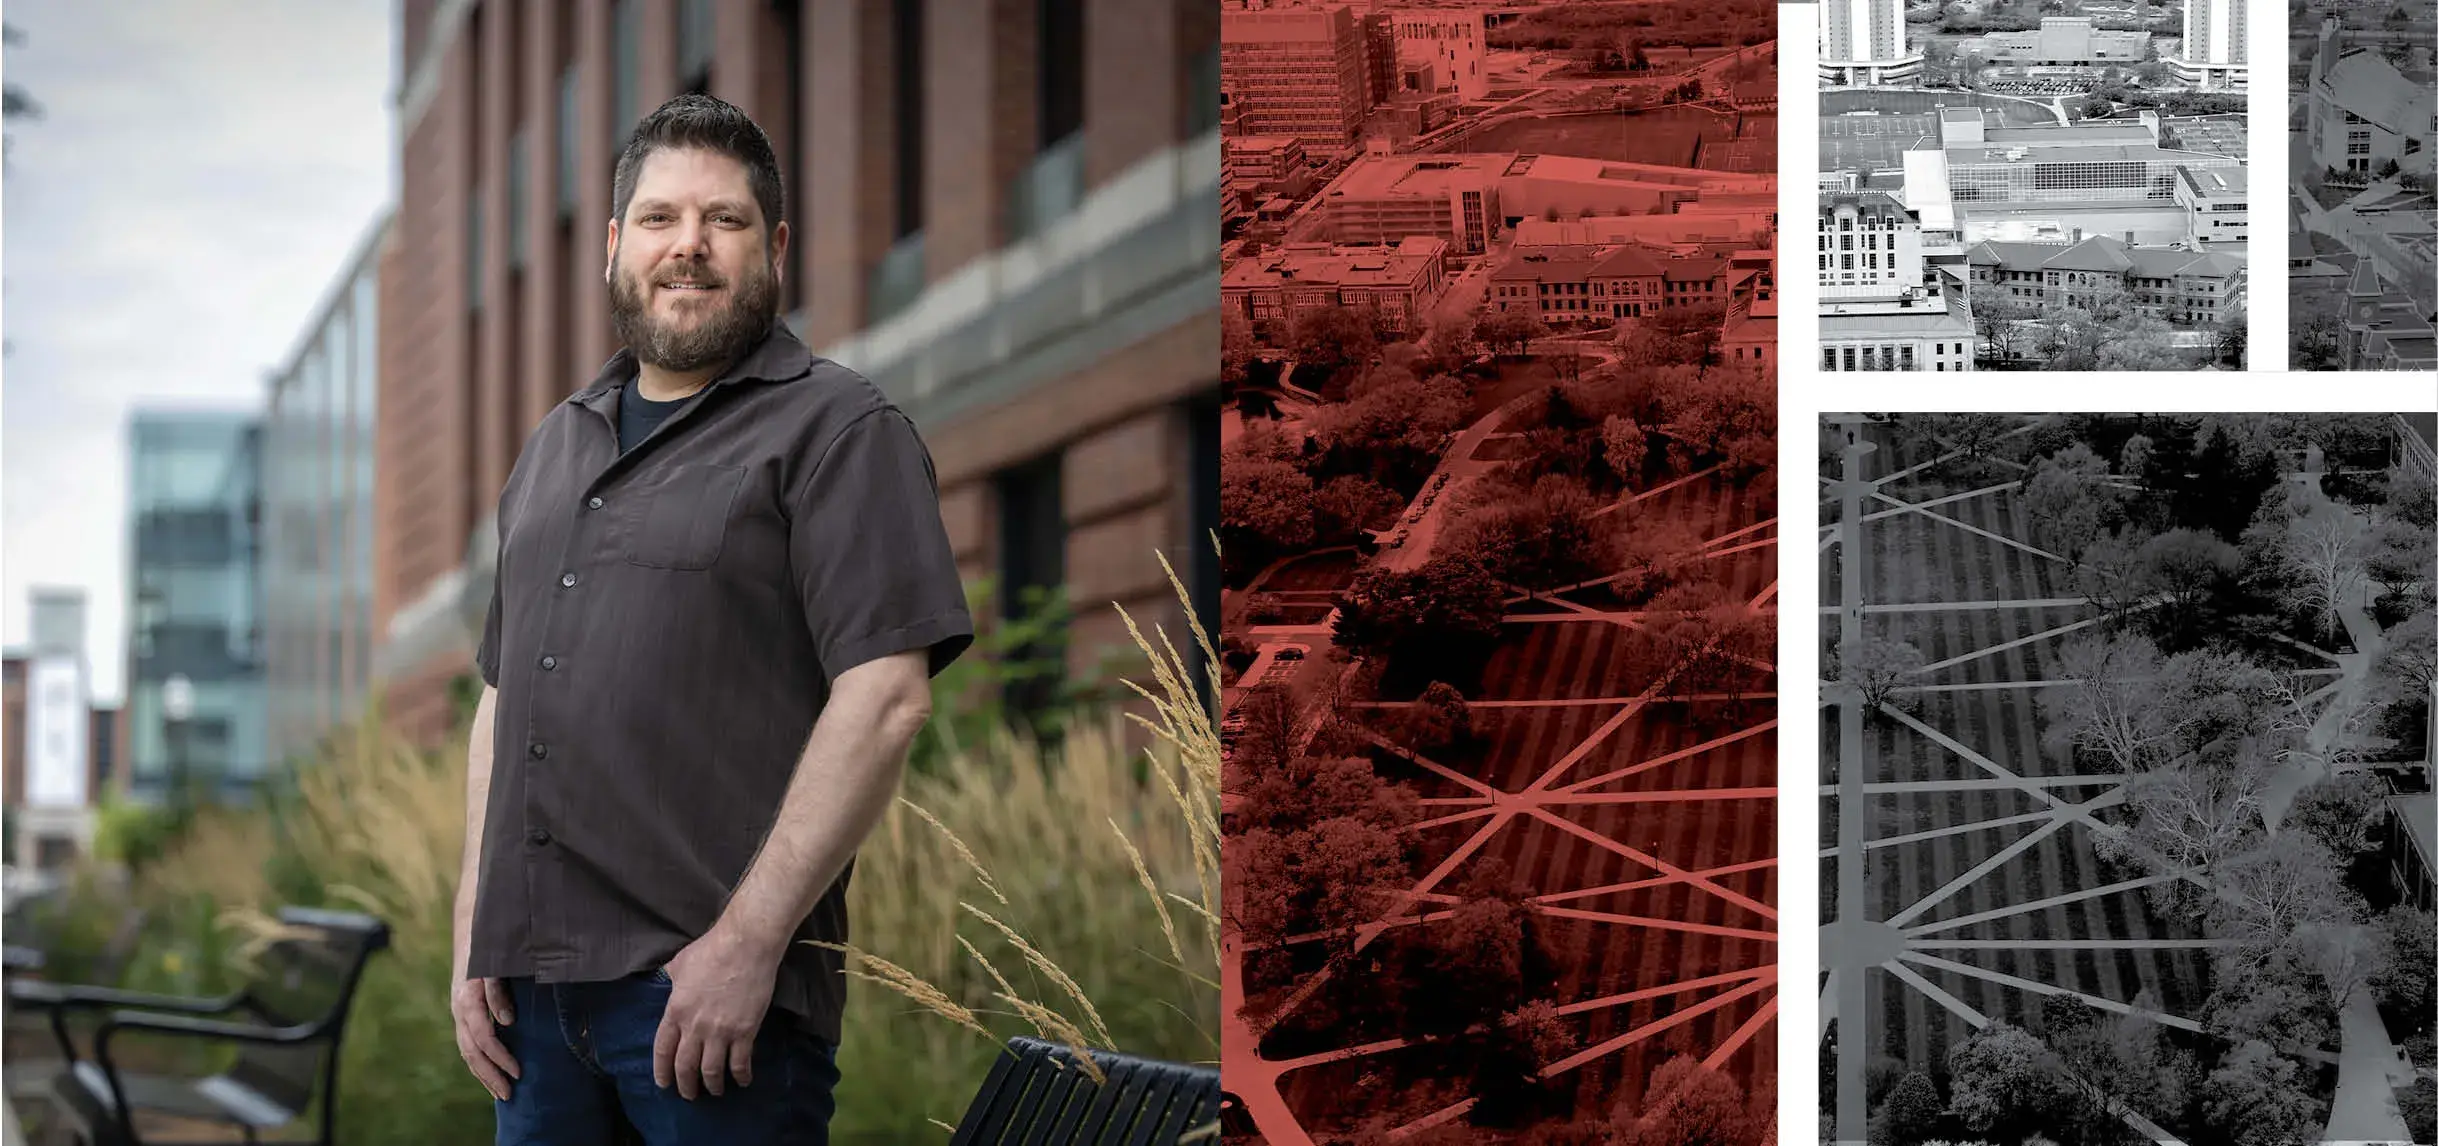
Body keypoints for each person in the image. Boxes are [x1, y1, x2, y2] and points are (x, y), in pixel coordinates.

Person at [448, 93, 974, 1146]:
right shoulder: (555, 446)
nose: (687, 246)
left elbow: (884, 699)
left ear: (773, 247)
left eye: (723, 221)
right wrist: (472, 926)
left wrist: (747, 944)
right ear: (612, 245)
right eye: (658, 218)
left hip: (706, 1014)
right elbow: (500, 697)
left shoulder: (838, 429)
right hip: (532, 1010)